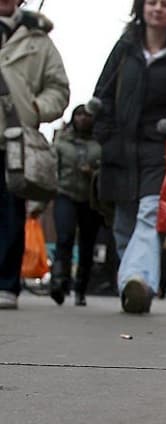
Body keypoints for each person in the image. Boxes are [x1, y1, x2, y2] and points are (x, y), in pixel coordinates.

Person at [92, 0, 166, 314]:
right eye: (151, 2)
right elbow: (102, 93)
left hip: (159, 146)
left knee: (150, 213)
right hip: (120, 145)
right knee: (124, 223)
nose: (157, 9)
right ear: (141, 8)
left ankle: (138, 280)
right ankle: (132, 283)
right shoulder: (125, 47)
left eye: (165, 4)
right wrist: (103, 132)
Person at [0, 1, 70, 310]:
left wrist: (36, 108)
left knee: (10, 212)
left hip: (14, 139)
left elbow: (59, 89)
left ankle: (5, 284)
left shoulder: (39, 40)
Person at [49, 105, 102, 307]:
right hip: (65, 194)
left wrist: (93, 173)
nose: (83, 119)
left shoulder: (99, 144)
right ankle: (59, 282)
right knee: (64, 237)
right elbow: (52, 169)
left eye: (87, 115)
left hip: (90, 200)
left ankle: (81, 289)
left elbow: (105, 171)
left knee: (87, 244)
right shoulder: (62, 142)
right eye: (79, 115)